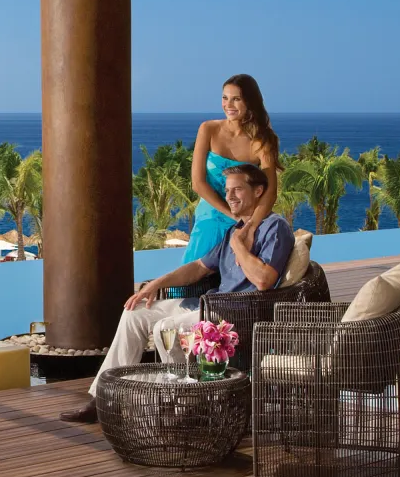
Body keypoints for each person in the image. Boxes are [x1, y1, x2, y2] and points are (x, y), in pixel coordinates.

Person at [61, 161, 292, 422]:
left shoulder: (275, 228)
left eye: (237, 190)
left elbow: (263, 280)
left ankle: (182, 403)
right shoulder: (234, 230)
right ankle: (103, 399)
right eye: (227, 190)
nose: (229, 196)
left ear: (259, 191)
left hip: (238, 312)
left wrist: (239, 245)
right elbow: (199, 267)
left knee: (167, 328)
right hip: (209, 304)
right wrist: (157, 284)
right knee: (135, 312)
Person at [175, 76, 280, 293]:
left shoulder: (262, 139)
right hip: (212, 216)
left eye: (236, 99)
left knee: (239, 285)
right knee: (188, 286)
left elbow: (270, 192)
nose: (228, 105)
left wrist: (249, 227)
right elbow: (198, 183)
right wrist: (233, 217)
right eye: (225, 98)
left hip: (247, 218)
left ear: (250, 102)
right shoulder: (208, 129)